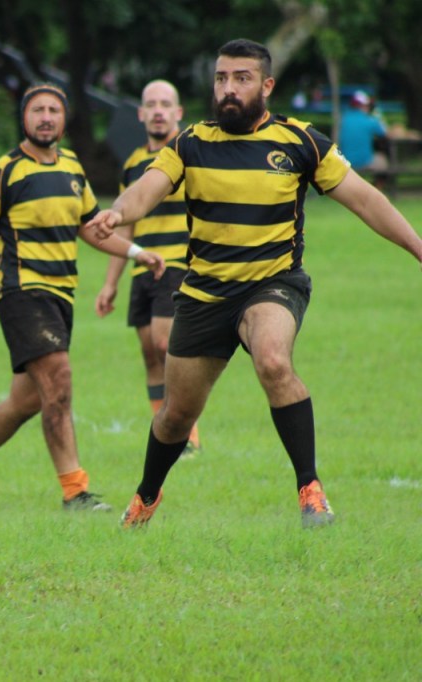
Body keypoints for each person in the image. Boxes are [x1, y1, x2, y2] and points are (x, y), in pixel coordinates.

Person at [85, 39, 422, 529]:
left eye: (241, 78)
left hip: (273, 284)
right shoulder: (190, 143)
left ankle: (310, 490)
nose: (228, 88)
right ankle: (146, 495)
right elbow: (145, 190)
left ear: (266, 86)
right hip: (204, 294)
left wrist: (417, 246)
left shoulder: (300, 142)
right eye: (221, 78)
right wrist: (117, 213)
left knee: (273, 360)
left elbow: (366, 200)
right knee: (176, 416)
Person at [0, 83, 165, 511]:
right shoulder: (2, 172)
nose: (46, 117)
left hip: (61, 295)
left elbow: (90, 227)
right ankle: (75, 491)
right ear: (24, 118)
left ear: (64, 119)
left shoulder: (72, 167)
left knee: (26, 401)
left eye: (54, 110)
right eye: (38, 110)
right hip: (21, 293)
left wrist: (136, 253)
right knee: (59, 382)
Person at [94, 79, 202, 457]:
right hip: (143, 267)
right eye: (151, 105)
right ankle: (166, 431)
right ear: (140, 114)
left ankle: (187, 432)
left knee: (163, 343)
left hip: (178, 264)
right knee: (149, 353)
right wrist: (110, 283)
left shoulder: (190, 155)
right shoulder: (133, 164)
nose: (158, 111)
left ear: (178, 113)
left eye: (165, 104)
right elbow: (124, 226)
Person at [338, 90, 389, 188]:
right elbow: (384, 132)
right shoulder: (369, 120)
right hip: (364, 161)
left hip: (344, 160)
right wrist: (377, 115)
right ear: (362, 106)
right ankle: (377, 188)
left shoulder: (344, 118)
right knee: (382, 160)